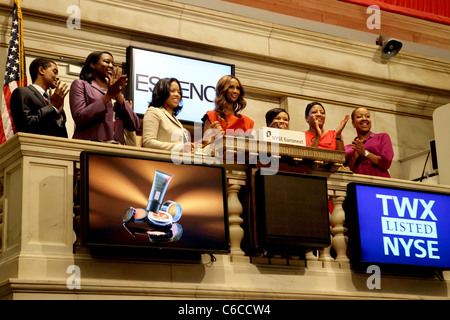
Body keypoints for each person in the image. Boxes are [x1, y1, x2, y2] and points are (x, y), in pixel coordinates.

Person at [69, 51, 140, 144]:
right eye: (107, 62)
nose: (111, 66)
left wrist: (117, 94)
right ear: (93, 64)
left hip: (116, 148)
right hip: (89, 146)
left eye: (113, 64)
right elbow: (80, 117)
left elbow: (135, 125)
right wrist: (108, 96)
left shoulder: (116, 92)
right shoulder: (81, 85)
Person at [10, 57, 69, 138]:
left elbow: (63, 137)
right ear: (41, 70)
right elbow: (26, 125)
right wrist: (52, 107)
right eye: (55, 72)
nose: (57, 77)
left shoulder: (54, 100)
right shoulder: (22, 92)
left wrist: (58, 117)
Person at [142, 77, 193, 152]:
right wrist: (180, 147)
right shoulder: (153, 112)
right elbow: (148, 143)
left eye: (179, 92)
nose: (177, 95)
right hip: (158, 162)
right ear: (162, 92)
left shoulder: (176, 121)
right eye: (172, 91)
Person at [202, 75, 254, 143]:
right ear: (222, 90)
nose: (235, 91)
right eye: (231, 87)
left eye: (238, 88)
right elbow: (206, 147)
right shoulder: (212, 116)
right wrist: (218, 138)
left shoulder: (247, 122)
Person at [345, 107, 393, 177]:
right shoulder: (349, 148)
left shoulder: (382, 137)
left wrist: (365, 153)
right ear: (353, 123)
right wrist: (354, 157)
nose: (364, 119)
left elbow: (386, 163)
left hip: (381, 183)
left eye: (367, 116)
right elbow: (346, 171)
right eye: (359, 116)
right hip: (359, 184)